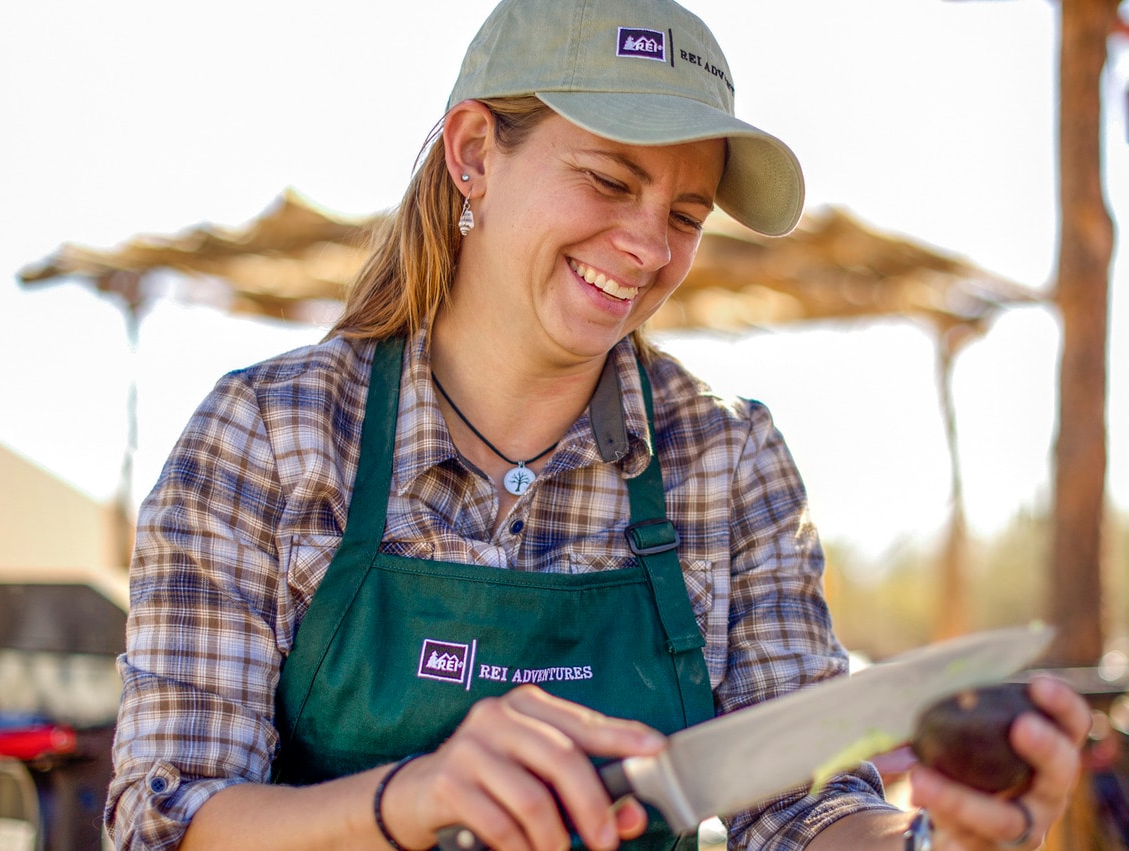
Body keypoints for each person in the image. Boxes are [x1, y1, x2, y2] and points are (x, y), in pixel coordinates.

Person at [105, 0, 1091, 848]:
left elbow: (805, 815)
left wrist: (949, 836)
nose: (648, 245)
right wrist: (413, 798)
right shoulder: (267, 438)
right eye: (611, 182)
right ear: (474, 154)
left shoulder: (725, 460)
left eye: (688, 213)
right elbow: (171, 821)